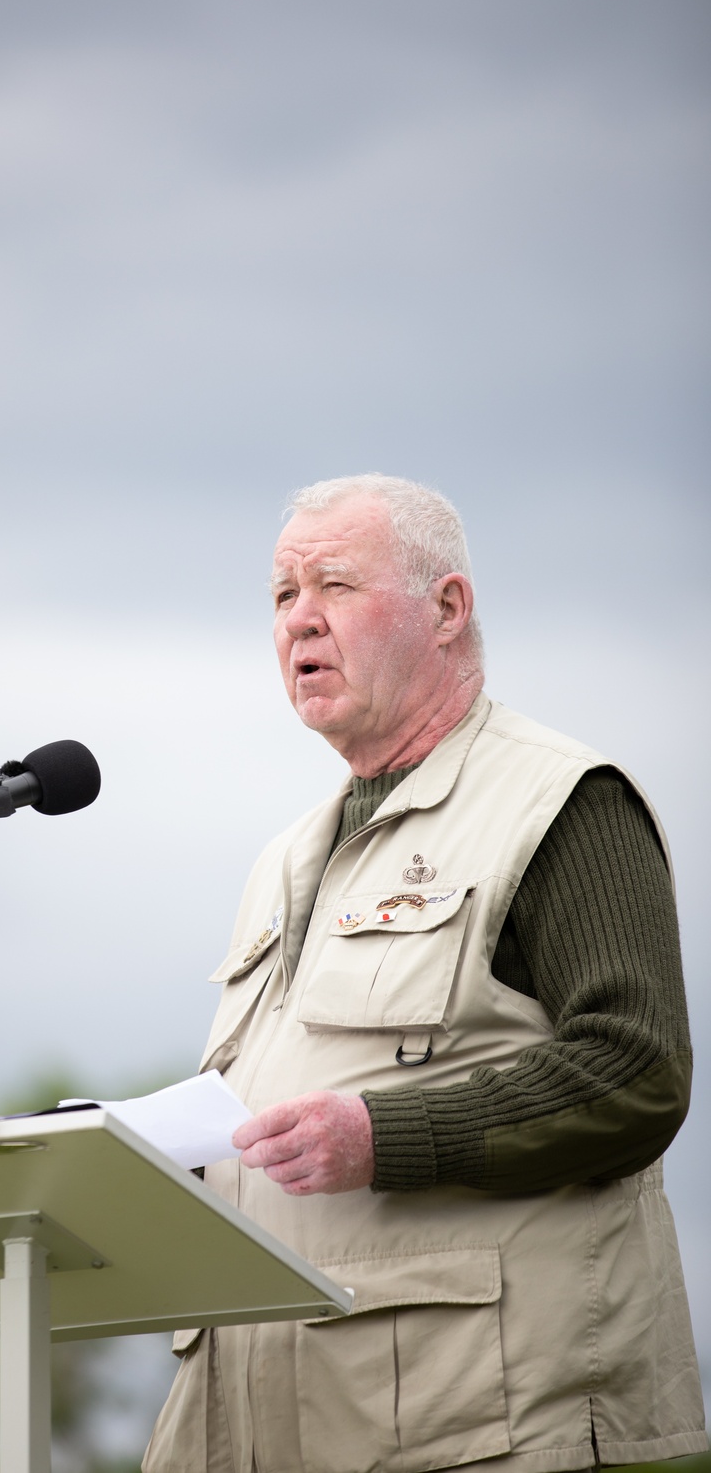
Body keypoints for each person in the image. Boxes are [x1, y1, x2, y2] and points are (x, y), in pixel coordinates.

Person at [143, 475, 706, 1473]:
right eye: (280, 595)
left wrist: (383, 1136)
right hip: (267, 1433)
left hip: (476, 1425)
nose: (299, 620)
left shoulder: (562, 804)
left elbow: (636, 1073)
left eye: (336, 585)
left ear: (446, 610)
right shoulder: (282, 860)